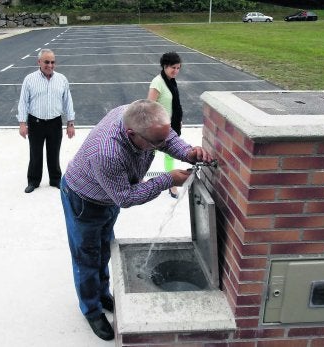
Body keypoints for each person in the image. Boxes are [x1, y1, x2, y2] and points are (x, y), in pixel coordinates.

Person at [60, 99, 213, 341]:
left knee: (104, 249)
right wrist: (167, 180)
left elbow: (168, 137)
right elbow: (126, 197)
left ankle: (102, 294)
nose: (162, 145)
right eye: (156, 143)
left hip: (106, 197)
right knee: (87, 256)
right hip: (84, 202)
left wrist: (188, 152)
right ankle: (91, 309)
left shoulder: (141, 117)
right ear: (131, 134)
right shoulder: (108, 152)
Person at [16, 48, 75, 193]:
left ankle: (56, 180)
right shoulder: (29, 79)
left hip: (55, 122)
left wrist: (70, 123)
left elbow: (68, 102)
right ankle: (33, 181)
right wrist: (22, 124)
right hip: (35, 123)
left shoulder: (62, 79)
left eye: (53, 62)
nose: (50, 65)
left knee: (54, 153)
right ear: (39, 62)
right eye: (46, 62)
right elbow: (23, 102)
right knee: (35, 154)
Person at [147, 52, 183, 199]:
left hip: (170, 126)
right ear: (164, 66)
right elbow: (149, 106)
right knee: (148, 154)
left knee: (169, 155)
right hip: (159, 127)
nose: (176, 71)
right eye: (173, 67)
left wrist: (177, 119)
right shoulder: (158, 82)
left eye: (178, 68)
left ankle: (172, 184)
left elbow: (173, 104)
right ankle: (137, 178)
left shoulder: (171, 81)